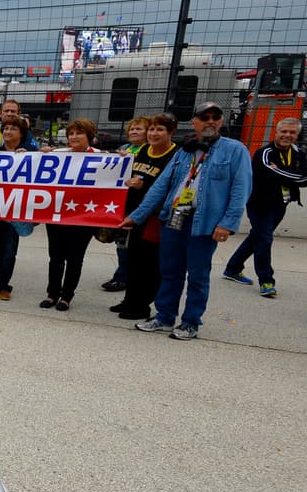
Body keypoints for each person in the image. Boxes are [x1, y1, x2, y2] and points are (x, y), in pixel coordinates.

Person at [121, 101, 252, 341]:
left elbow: (241, 188)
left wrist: (228, 223)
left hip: (204, 223)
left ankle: (191, 321)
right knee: (169, 271)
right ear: (195, 122)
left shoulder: (235, 150)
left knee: (198, 275)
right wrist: (137, 216)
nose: (210, 121)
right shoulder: (186, 150)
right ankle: (164, 316)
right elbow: (161, 186)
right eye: (205, 117)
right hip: (173, 218)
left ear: (221, 121)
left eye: (215, 117)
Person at [222, 117, 307, 298]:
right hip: (259, 203)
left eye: (292, 133)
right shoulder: (264, 152)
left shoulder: (299, 153)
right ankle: (266, 281)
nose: (287, 135)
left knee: (257, 236)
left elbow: (305, 179)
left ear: (297, 134)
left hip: (281, 203)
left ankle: (232, 268)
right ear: (276, 132)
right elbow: (268, 172)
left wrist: (278, 171)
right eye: (283, 131)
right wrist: (289, 174)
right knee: (264, 239)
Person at [110, 113, 179, 320]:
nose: (154, 133)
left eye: (160, 130)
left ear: (170, 133)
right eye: (152, 129)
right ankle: (130, 300)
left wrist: (143, 185)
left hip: (155, 217)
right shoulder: (142, 151)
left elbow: (171, 186)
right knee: (132, 260)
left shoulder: (175, 155)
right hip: (135, 214)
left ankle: (142, 306)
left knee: (149, 264)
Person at [40, 118, 100, 311]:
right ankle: (52, 294)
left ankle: (67, 296)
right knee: (55, 256)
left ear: (89, 136)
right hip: (57, 214)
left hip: (83, 217)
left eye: (79, 133)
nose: (74, 137)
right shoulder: (58, 154)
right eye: (71, 134)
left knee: (75, 258)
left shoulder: (103, 157)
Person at [0, 116, 34, 300]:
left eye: (13, 129)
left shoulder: (30, 155)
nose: (8, 132)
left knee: (9, 252)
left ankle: (3, 286)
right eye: (6, 128)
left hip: (15, 211)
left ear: (22, 133)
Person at [101, 116, 152, 292]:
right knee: (121, 242)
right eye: (132, 129)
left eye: (139, 129)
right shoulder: (124, 149)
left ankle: (123, 277)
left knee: (131, 243)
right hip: (121, 202)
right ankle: (124, 274)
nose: (134, 132)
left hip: (138, 203)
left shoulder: (149, 151)